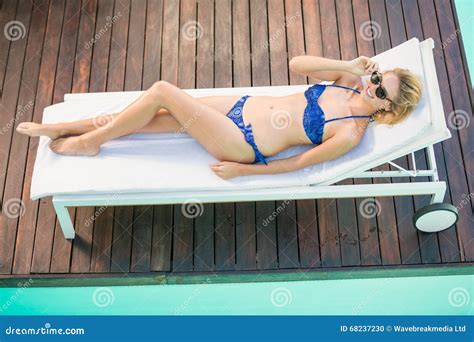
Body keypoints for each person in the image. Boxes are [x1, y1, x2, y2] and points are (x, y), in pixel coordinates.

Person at [16, 55, 422, 180]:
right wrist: (349, 66)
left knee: (162, 92)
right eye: (375, 79)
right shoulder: (348, 82)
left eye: (380, 91)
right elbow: (298, 63)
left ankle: (90, 142)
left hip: (244, 142)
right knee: (154, 113)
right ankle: (70, 127)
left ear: (388, 107)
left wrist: (244, 173)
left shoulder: (350, 133)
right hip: (240, 104)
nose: (371, 87)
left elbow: (300, 163)